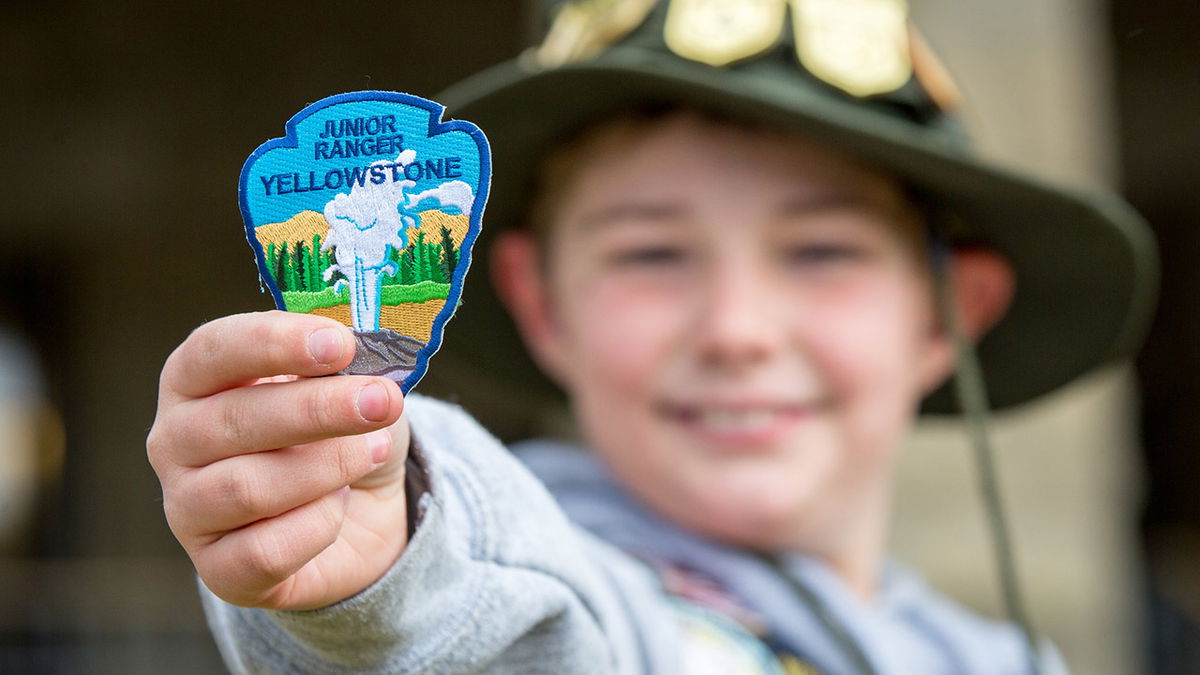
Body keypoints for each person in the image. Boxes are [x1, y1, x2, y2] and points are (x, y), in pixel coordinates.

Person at [146, 1, 1156, 672]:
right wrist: (383, 553)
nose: (737, 331)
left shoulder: (995, 661)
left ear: (950, 312)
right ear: (542, 304)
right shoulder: (598, 612)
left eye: (820, 253)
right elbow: (516, 621)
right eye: (652, 256)